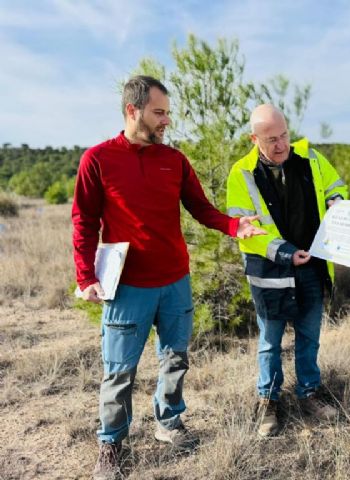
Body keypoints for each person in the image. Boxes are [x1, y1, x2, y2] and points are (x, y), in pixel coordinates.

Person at [72, 75, 265, 480]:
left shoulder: (173, 160)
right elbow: (84, 221)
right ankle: (111, 443)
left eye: (167, 113)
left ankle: (169, 422)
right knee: (119, 369)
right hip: (126, 288)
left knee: (175, 359)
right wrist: (85, 275)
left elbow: (201, 208)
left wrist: (234, 227)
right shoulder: (99, 159)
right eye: (159, 113)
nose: (166, 121)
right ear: (133, 110)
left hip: (175, 280)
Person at [226, 104, 348, 437]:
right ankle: (268, 400)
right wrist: (285, 253)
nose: (281, 145)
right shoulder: (241, 174)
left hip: (312, 268)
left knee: (309, 338)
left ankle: (309, 392)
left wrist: (337, 202)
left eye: (284, 136)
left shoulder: (312, 158)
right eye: (271, 140)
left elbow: (337, 187)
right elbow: (245, 230)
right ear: (254, 139)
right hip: (270, 272)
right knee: (270, 342)